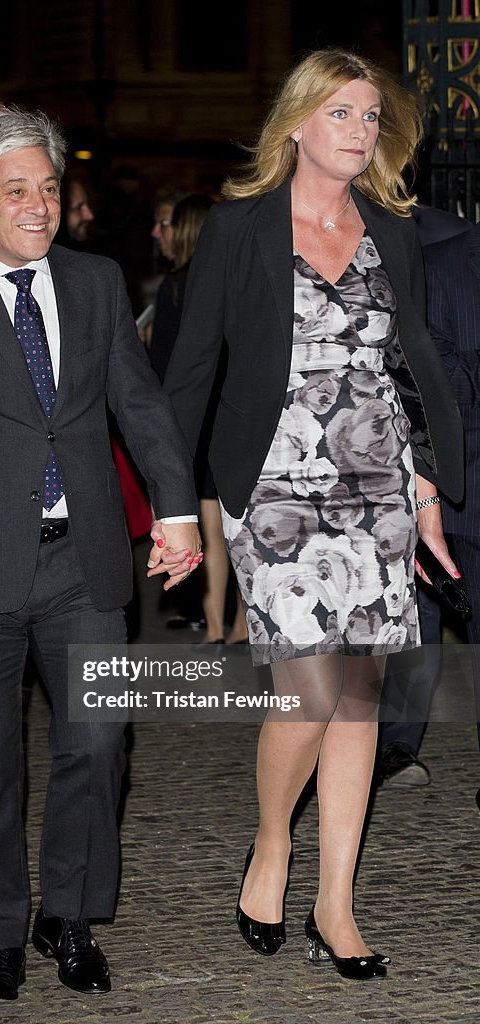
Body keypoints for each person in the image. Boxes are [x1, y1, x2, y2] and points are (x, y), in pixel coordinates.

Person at [0, 105, 201, 1004]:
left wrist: (177, 512)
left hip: (84, 559)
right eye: (16, 190)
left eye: (49, 188)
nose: (39, 205)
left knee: (97, 746)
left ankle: (69, 917)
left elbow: (139, 404)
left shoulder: (96, 283)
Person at [163, 48, 463, 980]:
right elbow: (191, 374)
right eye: (342, 112)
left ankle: (336, 903)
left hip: (376, 487)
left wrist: (423, 493)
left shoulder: (392, 230)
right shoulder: (240, 228)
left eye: (372, 117)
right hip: (279, 484)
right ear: (297, 123)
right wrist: (177, 510)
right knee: (309, 691)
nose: (360, 130)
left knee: (358, 695)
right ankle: (269, 846)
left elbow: (407, 372)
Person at [378, 207, 474, 788]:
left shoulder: (438, 242)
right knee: (419, 614)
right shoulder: (436, 257)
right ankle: (395, 744)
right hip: (410, 469)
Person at [149, 193, 248, 646]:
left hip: (198, 421)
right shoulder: (240, 280)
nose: (158, 233)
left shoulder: (176, 286)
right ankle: (244, 625)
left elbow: (167, 365)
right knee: (244, 530)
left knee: (209, 532)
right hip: (238, 417)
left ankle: (213, 628)